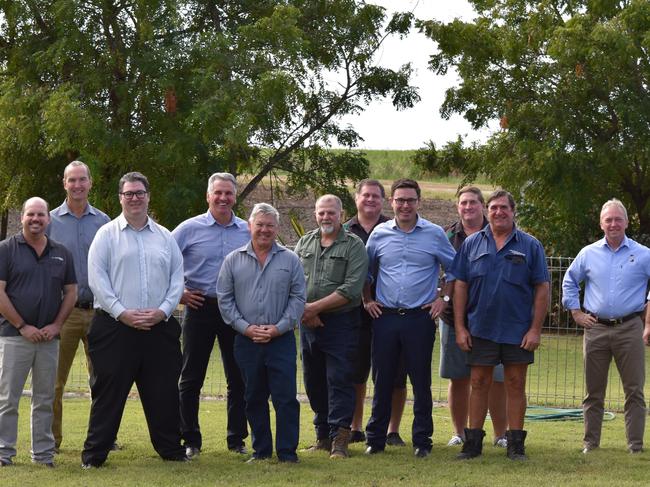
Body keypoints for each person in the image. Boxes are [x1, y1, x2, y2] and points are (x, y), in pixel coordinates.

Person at [81, 172, 187, 467]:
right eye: (129, 194)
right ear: (120, 198)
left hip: (159, 328)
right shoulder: (106, 235)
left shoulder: (165, 237)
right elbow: (97, 279)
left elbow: (177, 279)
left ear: (148, 196)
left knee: (164, 392)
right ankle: (94, 456)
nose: (135, 198)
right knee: (108, 394)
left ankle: (171, 451)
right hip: (114, 327)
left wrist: (163, 311)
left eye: (140, 193)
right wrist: (122, 313)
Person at [452, 190, 549, 461]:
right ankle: (472, 444)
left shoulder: (531, 246)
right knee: (479, 382)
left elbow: (542, 288)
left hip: (518, 330)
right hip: (480, 327)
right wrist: (460, 327)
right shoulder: (471, 244)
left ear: (513, 211)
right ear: (486, 210)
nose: (498, 212)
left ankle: (515, 444)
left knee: (515, 384)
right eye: (493, 207)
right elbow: (460, 285)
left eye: (503, 207)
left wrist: (535, 329)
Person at [364, 178, 456, 458]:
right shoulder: (379, 234)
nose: (405, 205)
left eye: (410, 200)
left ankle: (422, 441)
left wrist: (444, 299)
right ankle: (375, 440)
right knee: (382, 380)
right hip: (386, 317)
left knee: (420, 381)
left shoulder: (434, 234)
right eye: (400, 200)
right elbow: (365, 271)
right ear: (391, 202)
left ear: (419, 202)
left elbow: (454, 270)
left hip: (420, 318)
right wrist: (366, 299)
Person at [217, 203, 306, 463]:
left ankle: (287, 452)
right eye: (260, 225)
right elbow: (225, 300)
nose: (264, 230)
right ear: (250, 227)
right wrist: (246, 328)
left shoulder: (291, 260)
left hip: (281, 340)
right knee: (253, 397)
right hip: (246, 341)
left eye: (270, 225)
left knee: (286, 398)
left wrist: (278, 328)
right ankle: (261, 450)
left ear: (277, 228)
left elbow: (298, 298)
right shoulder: (233, 260)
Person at [562, 198, 650, 454]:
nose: (613, 224)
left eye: (618, 219)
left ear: (626, 222)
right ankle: (591, 443)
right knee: (593, 391)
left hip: (630, 328)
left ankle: (635, 445)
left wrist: (648, 323)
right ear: (601, 223)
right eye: (608, 219)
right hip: (596, 329)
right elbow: (569, 280)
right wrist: (576, 312)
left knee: (634, 390)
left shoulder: (643, 254)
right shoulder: (588, 253)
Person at [172, 172, 250, 458]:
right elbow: (163, 260)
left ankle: (236, 439)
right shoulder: (188, 229)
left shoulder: (247, 230)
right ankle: (190, 439)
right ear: (208, 196)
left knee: (238, 377)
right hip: (198, 307)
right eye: (218, 193)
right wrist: (178, 293)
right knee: (191, 378)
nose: (223, 198)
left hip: (235, 309)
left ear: (235, 196)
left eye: (228, 193)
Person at [0, 197, 77, 467]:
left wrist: (56, 325)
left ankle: (43, 454)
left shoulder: (61, 252)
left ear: (49, 219)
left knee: (44, 398)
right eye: (31, 214)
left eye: (41, 215)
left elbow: (71, 292)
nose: (36, 219)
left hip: (49, 338)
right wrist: (23, 326)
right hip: (13, 336)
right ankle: (3, 453)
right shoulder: (6, 250)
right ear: (22, 217)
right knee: (8, 399)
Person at [294, 194, 368, 459]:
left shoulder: (354, 245)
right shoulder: (305, 242)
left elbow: (351, 288)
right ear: (315, 214)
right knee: (313, 381)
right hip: (308, 323)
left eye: (331, 213)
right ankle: (322, 436)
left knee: (339, 380)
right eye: (321, 212)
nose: (326, 217)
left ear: (341, 213)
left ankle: (340, 439)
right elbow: (292, 280)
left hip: (341, 323)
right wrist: (306, 311)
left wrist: (315, 308)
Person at [47, 160, 110, 452]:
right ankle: (51, 441)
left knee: (103, 380)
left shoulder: (104, 221)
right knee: (54, 382)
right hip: (64, 313)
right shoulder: (49, 221)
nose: (77, 185)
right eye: (71, 180)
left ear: (90, 183)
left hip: (99, 312)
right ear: (64, 183)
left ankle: (102, 439)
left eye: (82, 179)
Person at [440, 186, 507, 447]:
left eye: (473, 203)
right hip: (452, 318)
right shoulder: (445, 235)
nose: (468, 207)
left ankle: (500, 435)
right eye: (463, 203)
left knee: (496, 379)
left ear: (483, 207)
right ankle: (460, 432)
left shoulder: (500, 234)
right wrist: (440, 297)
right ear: (458, 207)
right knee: (459, 377)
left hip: (493, 320)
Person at [344, 179, 407, 446]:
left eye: (375, 196)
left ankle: (392, 430)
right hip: (352, 313)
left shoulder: (394, 228)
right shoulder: (343, 230)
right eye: (365, 195)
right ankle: (356, 427)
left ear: (384, 201)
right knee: (356, 373)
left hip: (390, 312)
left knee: (394, 375)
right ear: (356, 198)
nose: (370, 200)